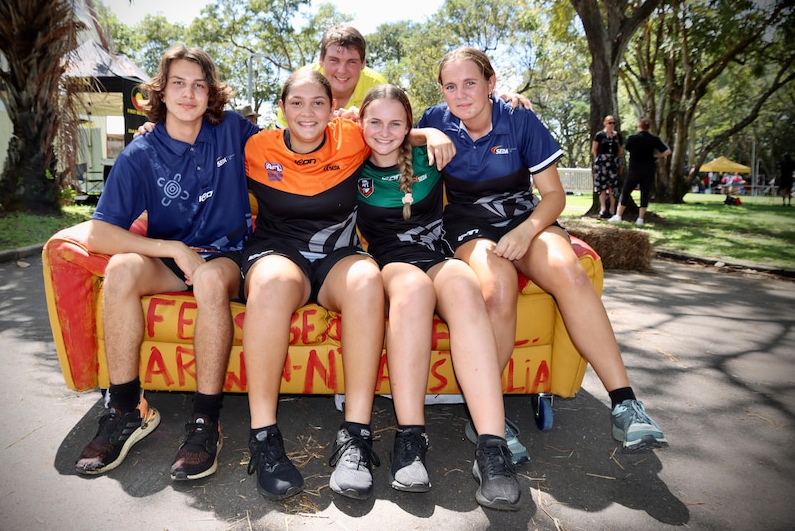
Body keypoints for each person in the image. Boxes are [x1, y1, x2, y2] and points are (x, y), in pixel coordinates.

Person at [419, 47, 668, 454]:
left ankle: (626, 405)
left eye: (470, 83)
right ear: (441, 91)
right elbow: (387, 131)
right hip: (468, 225)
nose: (461, 94)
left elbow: (553, 195)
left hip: (525, 217)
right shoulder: (435, 119)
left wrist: (528, 229)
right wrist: (424, 133)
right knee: (497, 288)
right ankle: (489, 419)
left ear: (491, 83)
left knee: (569, 272)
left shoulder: (519, 118)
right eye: (451, 86)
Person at [241, 69, 454, 501]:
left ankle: (355, 436)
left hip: (339, 257)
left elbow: (393, 133)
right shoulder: (257, 146)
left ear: (334, 108)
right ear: (281, 108)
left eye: (318, 102)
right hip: (280, 253)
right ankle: (264, 438)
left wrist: (430, 131)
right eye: (296, 103)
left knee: (366, 279)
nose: (307, 112)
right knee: (270, 284)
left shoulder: (352, 136)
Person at [75, 45, 259, 480]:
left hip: (228, 255)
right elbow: (98, 233)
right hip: (172, 257)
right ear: (162, 91)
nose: (189, 94)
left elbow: (293, 145)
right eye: (178, 83)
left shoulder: (234, 130)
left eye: (199, 85)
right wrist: (173, 249)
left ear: (211, 93)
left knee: (211, 282)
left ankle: (204, 420)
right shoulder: (140, 153)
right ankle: (124, 408)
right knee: (120, 268)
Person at [355, 84, 522, 510]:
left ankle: (492, 447)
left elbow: (478, 127)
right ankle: (410, 438)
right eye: (375, 121)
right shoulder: (350, 164)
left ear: (410, 125)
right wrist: (420, 131)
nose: (385, 131)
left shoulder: (431, 156)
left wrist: (512, 106)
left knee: (466, 287)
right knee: (413, 291)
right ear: (361, 123)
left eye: (396, 123)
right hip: (392, 262)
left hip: (438, 254)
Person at [276, 24, 386, 127]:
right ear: (321, 59)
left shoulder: (377, 87)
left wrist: (364, 122)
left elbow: (390, 135)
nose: (342, 70)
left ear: (363, 63)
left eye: (351, 62)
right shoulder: (297, 85)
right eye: (334, 60)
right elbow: (280, 138)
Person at [608, 117, 672, 226]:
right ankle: (640, 219)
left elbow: (627, 148)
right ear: (649, 127)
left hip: (635, 168)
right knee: (645, 193)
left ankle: (618, 215)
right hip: (649, 168)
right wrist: (657, 155)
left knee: (626, 191)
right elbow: (668, 151)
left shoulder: (632, 138)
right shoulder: (654, 139)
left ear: (639, 126)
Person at [591, 114, 623, 217]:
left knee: (612, 186)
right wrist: (599, 159)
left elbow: (620, 150)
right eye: (610, 122)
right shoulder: (599, 135)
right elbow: (594, 149)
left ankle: (612, 208)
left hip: (613, 163)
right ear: (605, 123)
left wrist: (614, 159)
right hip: (602, 163)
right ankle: (603, 208)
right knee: (602, 186)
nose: (612, 124)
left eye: (613, 123)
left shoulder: (617, 136)